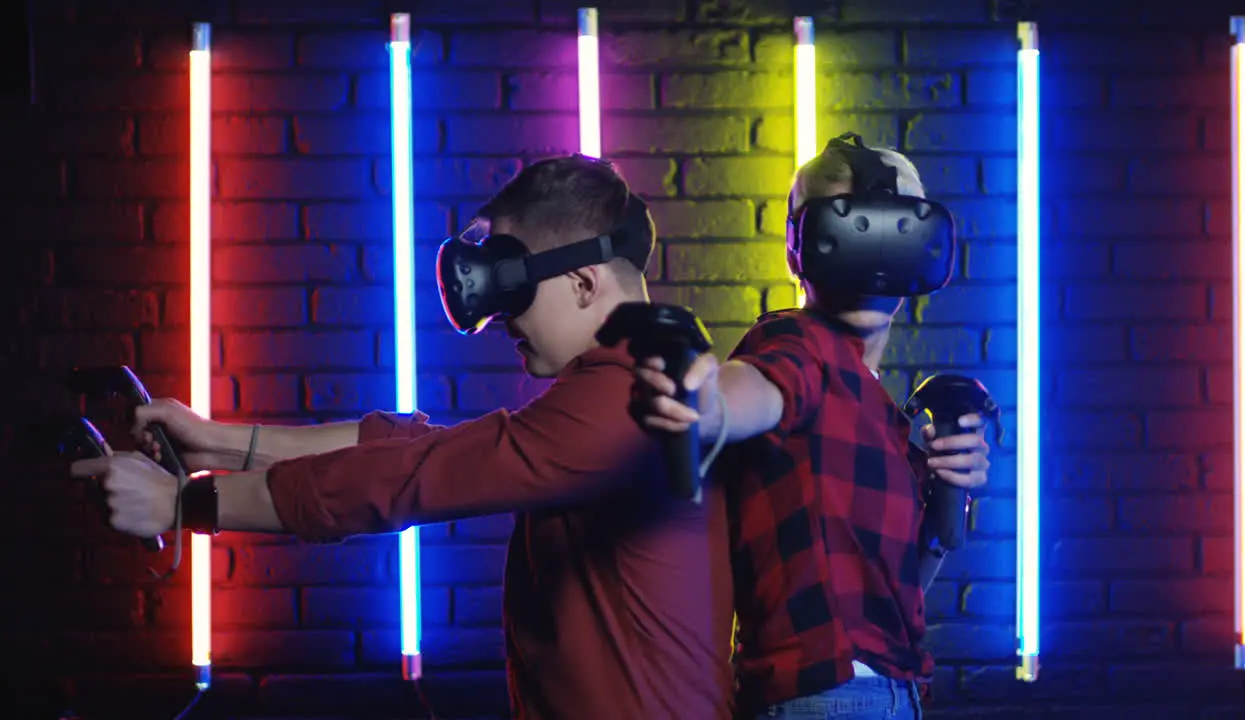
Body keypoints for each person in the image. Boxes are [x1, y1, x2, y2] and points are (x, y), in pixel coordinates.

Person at [71, 155, 735, 720]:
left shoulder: (628, 399)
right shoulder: (622, 390)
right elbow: (424, 453)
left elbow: (408, 480)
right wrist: (220, 443)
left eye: (516, 292)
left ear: (585, 282)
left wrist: (184, 505)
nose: (502, 320)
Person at [632, 138, 992, 720]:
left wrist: (944, 492)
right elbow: (754, 390)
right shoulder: (799, 344)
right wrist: (703, 403)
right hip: (827, 698)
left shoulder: (875, 408)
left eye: (893, 229)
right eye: (850, 226)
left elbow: (894, 597)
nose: (873, 249)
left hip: (887, 691)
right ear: (799, 248)